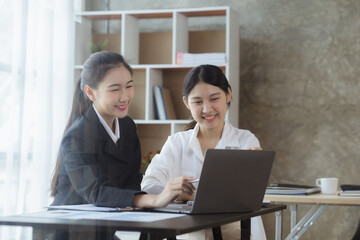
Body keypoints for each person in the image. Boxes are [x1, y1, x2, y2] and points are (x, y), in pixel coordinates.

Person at [50, 51, 195, 240]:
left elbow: (132, 180)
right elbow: (97, 192)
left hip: (104, 231)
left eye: (129, 86)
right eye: (114, 89)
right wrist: (154, 199)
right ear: (90, 92)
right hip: (72, 234)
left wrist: (161, 199)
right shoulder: (77, 136)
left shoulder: (127, 126)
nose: (125, 96)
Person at [141, 64, 266, 240]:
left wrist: (256, 171)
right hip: (190, 233)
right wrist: (178, 192)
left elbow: (249, 195)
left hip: (237, 232)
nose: (207, 109)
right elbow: (148, 187)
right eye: (198, 102)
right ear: (186, 102)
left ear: (228, 95)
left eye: (214, 98)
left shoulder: (246, 141)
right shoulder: (177, 143)